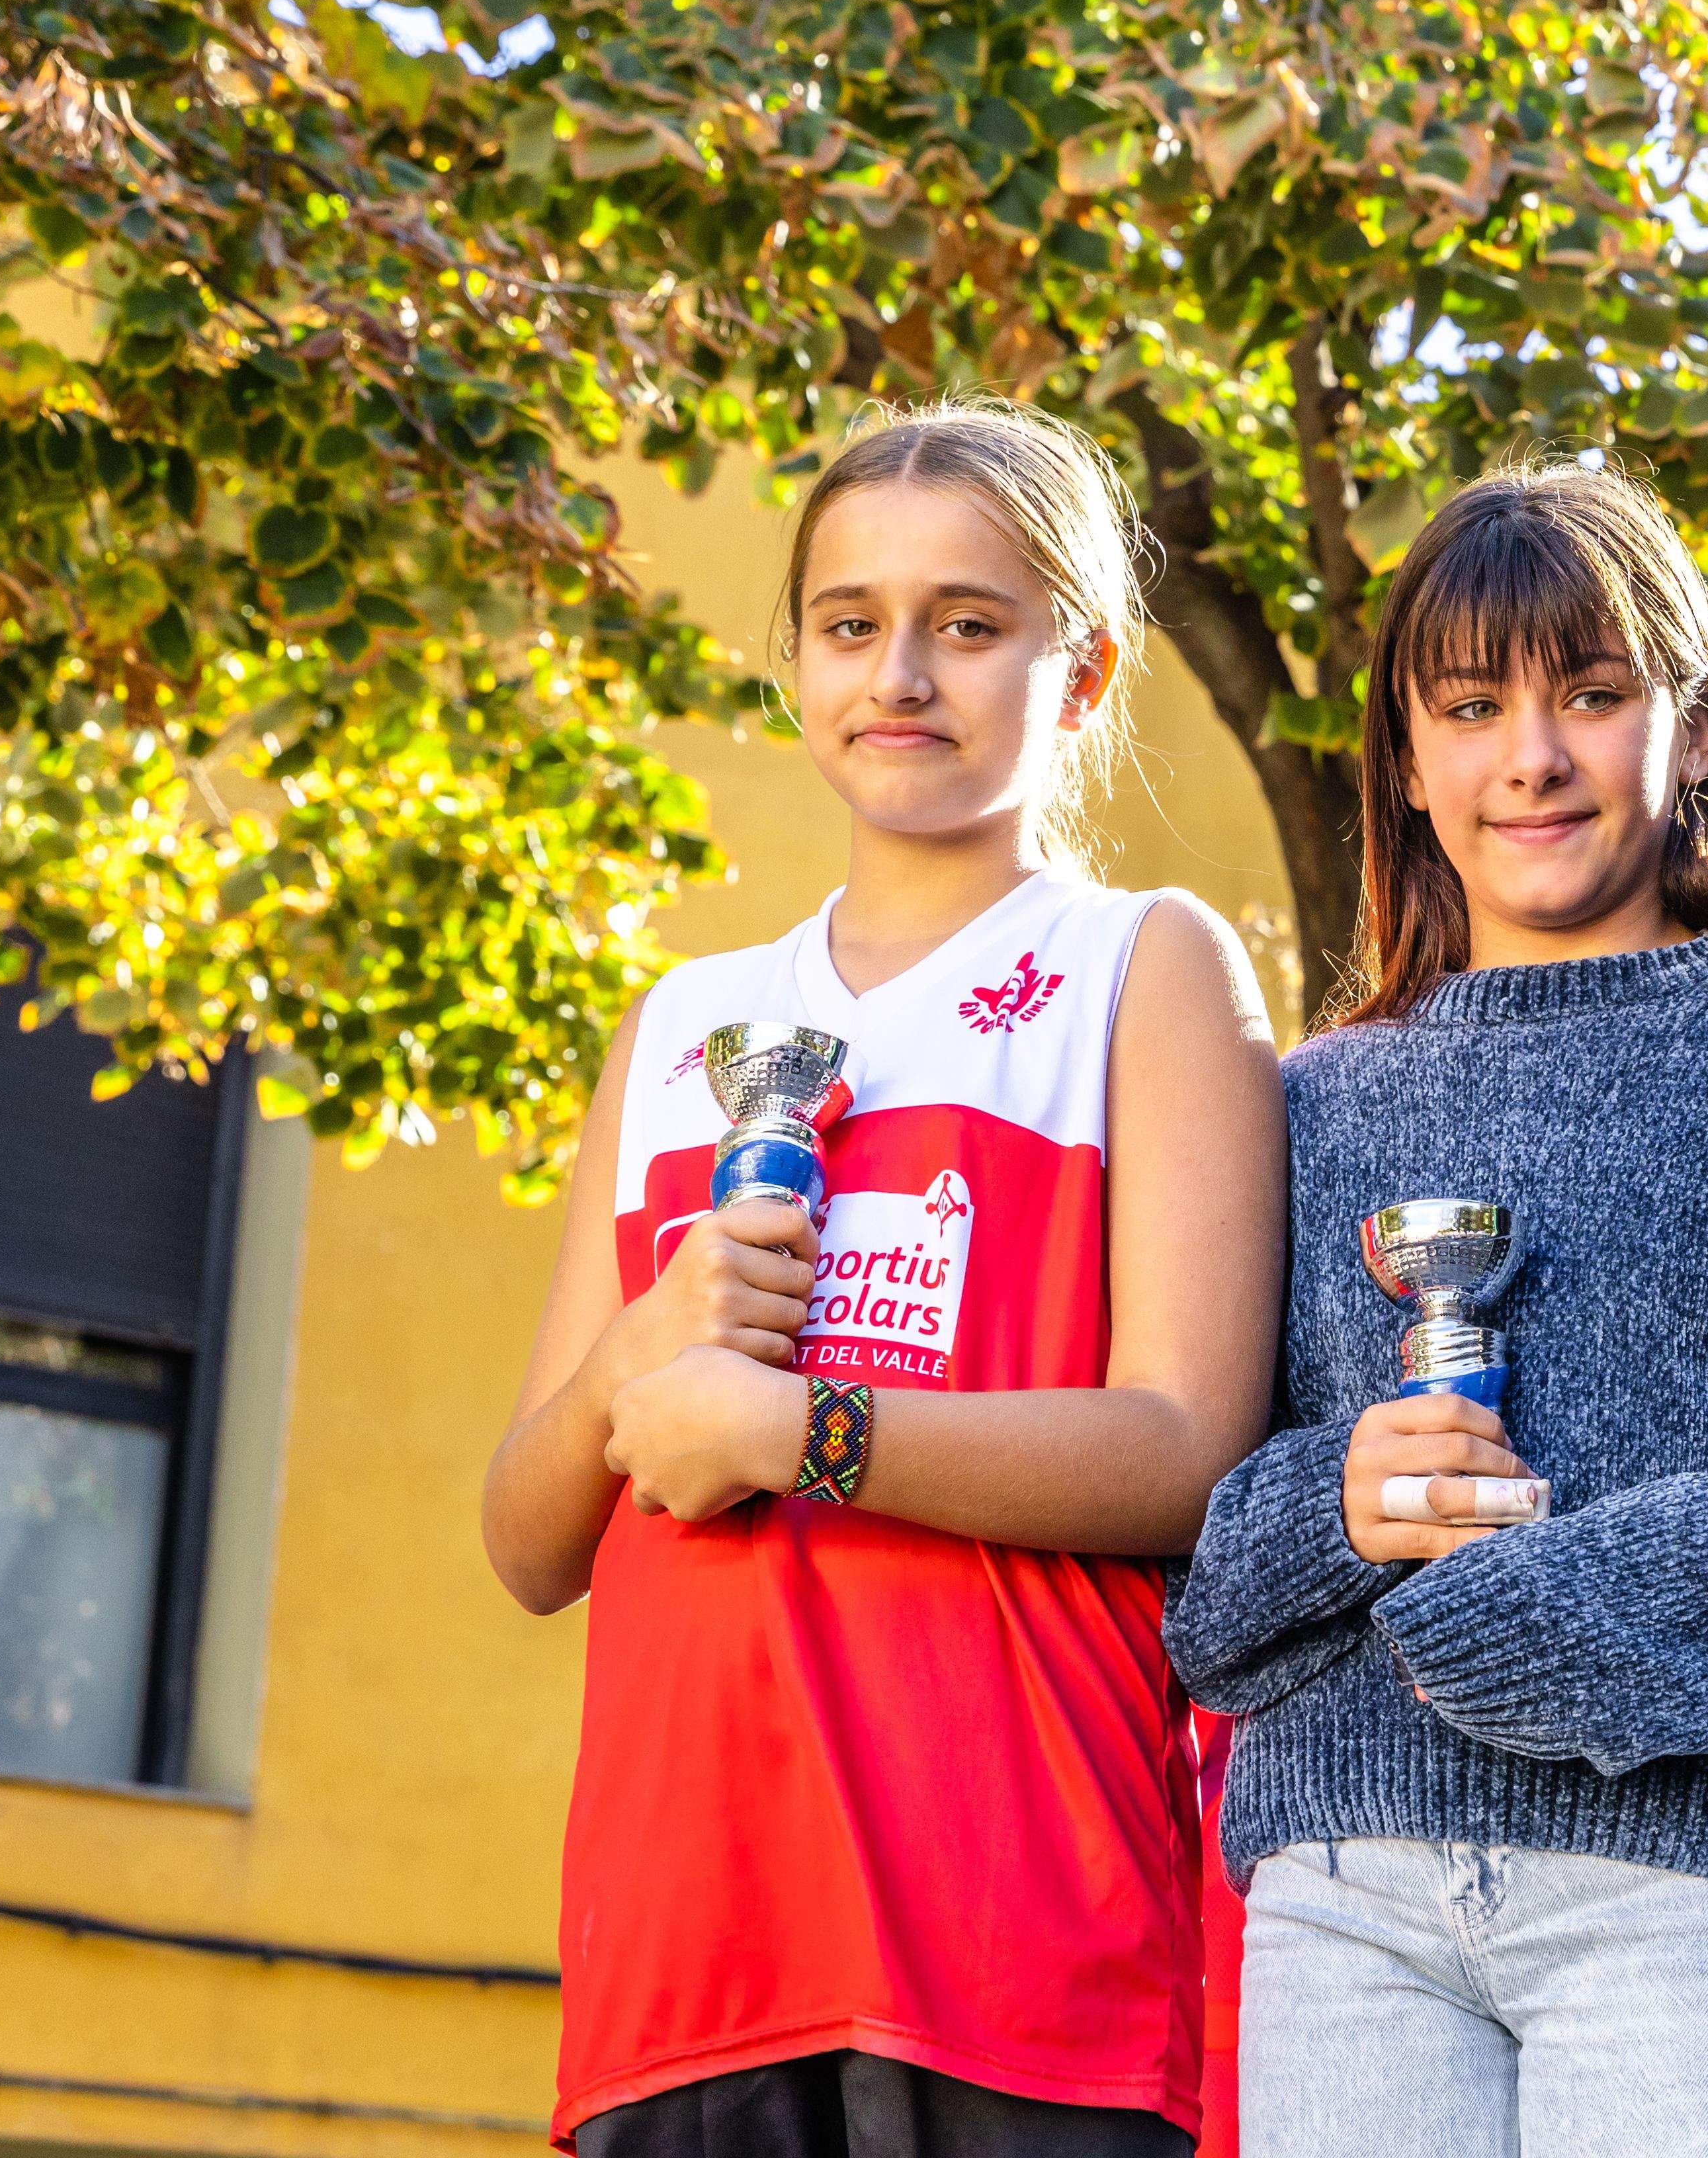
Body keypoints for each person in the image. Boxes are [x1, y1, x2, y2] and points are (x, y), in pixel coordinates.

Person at [484, 401, 1287, 2157]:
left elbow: (1189, 1455)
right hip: (679, 1966)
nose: (901, 672)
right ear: (798, 667)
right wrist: (634, 1362)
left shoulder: (1140, 969)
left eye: (970, 623)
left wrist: (801, 1431)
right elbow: (529, 1540)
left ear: (1080, 675)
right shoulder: (685, 1025)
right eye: (851, 622)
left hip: (1022, 1955)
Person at [1166, 460, 1708, 2158]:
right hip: (1348, 1901)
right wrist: (1339, 1501)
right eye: (1473, 707)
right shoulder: (1311, 1099)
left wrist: (1534, 1607)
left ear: (1695, 729)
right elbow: (1202, 1588)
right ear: (1410, 766)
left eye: (1593, 692)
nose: (1532, 756)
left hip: (1698, 1882)